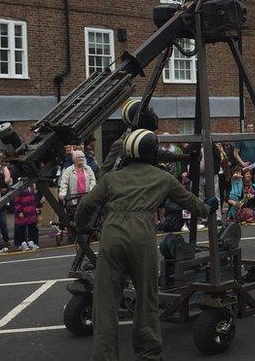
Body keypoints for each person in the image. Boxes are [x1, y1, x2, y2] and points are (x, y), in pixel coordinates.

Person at [75, 129, 216, 361]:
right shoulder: (162, 177)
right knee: (146, 297)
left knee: (105, 304)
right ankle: (148, 353)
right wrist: (207, 207)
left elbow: (86, 205)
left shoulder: (112, 178)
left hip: (112, 235)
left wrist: (82, 229)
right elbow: (192, 203)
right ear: (151, 152)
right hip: (142, 237)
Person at [12, 182, 40, 250]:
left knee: (32, 227)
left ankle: (31, 242)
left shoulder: (32, 186)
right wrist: (19, 211)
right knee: (21, 228)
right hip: (23, 210)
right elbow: (16, 200)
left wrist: (37, 208)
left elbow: (35, 198)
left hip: (31, 210)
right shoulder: (19, 187)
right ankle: (22, 243)